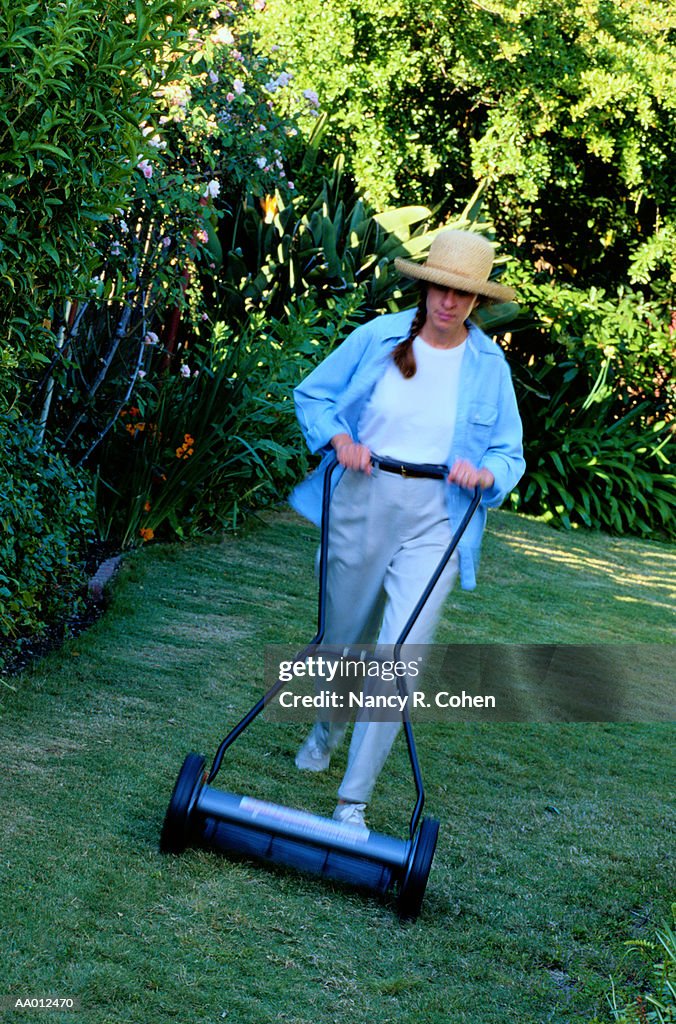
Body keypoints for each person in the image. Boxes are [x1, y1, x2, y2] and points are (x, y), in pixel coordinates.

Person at [288, 229, 525, 829]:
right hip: (363, 499)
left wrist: (486, 471)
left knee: (400, 659)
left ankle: (353, 803)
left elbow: (510, 454)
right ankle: (326, 727)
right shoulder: (377, 337)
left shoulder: (489, 366)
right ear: (424, 287)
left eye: (462, 294)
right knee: (342, 640)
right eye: (440, 288)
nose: (448, 301)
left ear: (478, 302)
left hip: (437, 516)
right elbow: (314, 395)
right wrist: (341, 439)